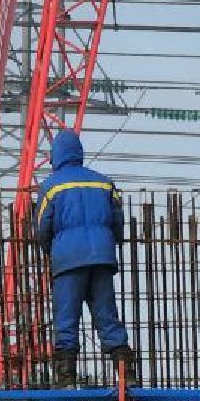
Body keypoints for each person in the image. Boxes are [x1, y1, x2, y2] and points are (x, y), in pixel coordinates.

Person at [34, 129, 134, 387]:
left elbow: (42, 227)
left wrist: (50, 250)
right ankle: (126, 376)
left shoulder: (52, 186)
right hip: (101, 257)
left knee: (67, 318)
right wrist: (112, 243)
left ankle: (66, 377)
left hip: (68, 259)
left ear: (55, 156)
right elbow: (118, 220)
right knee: (107, 316)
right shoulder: (103, 182)